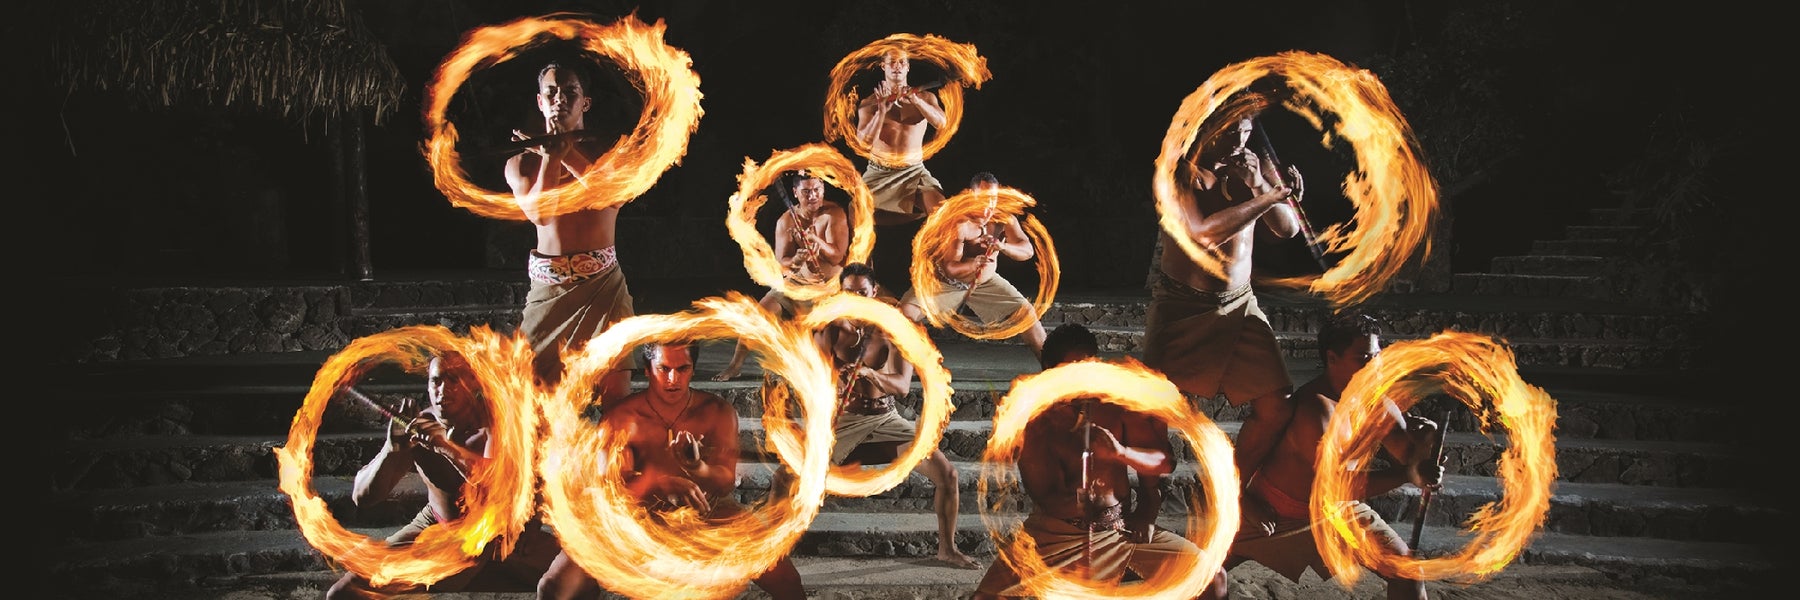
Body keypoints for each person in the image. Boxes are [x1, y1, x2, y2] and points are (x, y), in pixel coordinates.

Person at [1201, 312, 1445, 600]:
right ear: (1332, 359)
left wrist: (1426, 443)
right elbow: (1336, 484)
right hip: (1275, 511)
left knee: (1407, 571)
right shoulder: (1315, 411)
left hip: (1340, 511)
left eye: (1377, 358)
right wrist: (1409, 475)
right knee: (1202, 573)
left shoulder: (1376, 404)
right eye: (1363, 359)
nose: (1374, 369)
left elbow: (1407, 456)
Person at [537, 341, 806, 600]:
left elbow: (724, 482)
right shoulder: (621, 418)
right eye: (664, 369)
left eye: (682, 369)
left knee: (786, 580)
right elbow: (612, 489)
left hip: (708, 510)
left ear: (693, 369)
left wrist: (697, 468)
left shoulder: (716, 411)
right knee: (553, 587)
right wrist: (659, 483)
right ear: (647, 369)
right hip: (635, 515)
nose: (673, 379)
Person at [971, 323, 1212, 599]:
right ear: (1049, 372)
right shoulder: (1036, 421)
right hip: (1056, 536)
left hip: (1119, 533)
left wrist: (1124, 459)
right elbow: (1045, 495)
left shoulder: (1116, 404)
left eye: (1086, 368)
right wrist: (1079, 500)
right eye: (1070, 371)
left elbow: (1164, 462)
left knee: (1212, 579)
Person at [1140, 104, 1304, 506]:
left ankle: (1228, 491)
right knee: (1153, 410)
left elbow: (1287, 228)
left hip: (1240, 304)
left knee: (1276, 404)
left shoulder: (1255, 166)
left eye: (1245, 132)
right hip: (1183, 307)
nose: (1238, 142)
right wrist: (1270, 197)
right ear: (1206, 129)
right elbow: (1201, 235)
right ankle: (1148, 501)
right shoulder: (1180, 172)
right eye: (1229, 132)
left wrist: (1262, 187)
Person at [326, 352, 561, 599]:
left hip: (502, 532)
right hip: (439, 526)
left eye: (454, 380)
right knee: (343, 594)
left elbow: (498, 489)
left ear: (473, 385)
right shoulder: (419, 425)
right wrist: (390, 449)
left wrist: (447, 448)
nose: (443, 390)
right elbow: (363, 497)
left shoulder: (498, 424)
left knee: (580, 573)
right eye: (436, 381)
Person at [813, 262, 981, 569]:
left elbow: (902, 387)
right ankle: (772, 543)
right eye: (848, 292)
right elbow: (815, 381)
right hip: (843, 423)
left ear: (874, 292)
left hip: (885, 420)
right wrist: (835, 385)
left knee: (948, 475)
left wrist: (869, 374)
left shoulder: (895, 331)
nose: (856, 299)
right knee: (793, 474)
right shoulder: (829, 329)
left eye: (862, 292)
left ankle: (947, 549)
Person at [504, 60, 634, 402]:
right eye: (551, 92)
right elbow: (540, 215)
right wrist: (550, 156)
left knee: (615, 401)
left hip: (604, 286)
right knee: (530, 400)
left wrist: (565, 151)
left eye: (570, 91)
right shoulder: (521, 162)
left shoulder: (609, 154)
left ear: (585, 102)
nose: (560, 98)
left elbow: (613, 196)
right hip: (549, 289)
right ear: (540, 101)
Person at [712, 170, 850, 381]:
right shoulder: (786, 221)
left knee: (825, 352)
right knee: (758, 314)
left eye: (817, 190)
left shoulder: (834, 214)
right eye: (806, 191)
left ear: (823, 189)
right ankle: (735, 364)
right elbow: (782, 262)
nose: (812, 196)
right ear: (795, 192)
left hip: (828, 289)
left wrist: (815, 240)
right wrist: (796, 260)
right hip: (795, 285)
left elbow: (837, 256)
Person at [898, 172, 1046, 359]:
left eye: (992, 199)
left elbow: (1027, 250)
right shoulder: (959, 223)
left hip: (985, 283)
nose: (987, 207)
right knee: (905, 315)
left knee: (1027, 314)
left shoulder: (1004, 218)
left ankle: (1050, 368)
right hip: (945, 283)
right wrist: (974, 264)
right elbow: (951, 268)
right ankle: (919, 366)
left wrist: (1003, 246)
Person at [855, 48, 948, 226]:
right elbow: (863, 142)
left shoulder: (926, 97)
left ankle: (932, 252)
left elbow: (942, 124)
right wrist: (881, 112)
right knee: (856, 214)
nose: (897, 67)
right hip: (879, 171)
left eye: (902, 62)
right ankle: (863, 254)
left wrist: (917, 101)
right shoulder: (869, 104)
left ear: (908, 68)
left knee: (940, 211)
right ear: (883, 66)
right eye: (892, 62)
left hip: (914, 170)